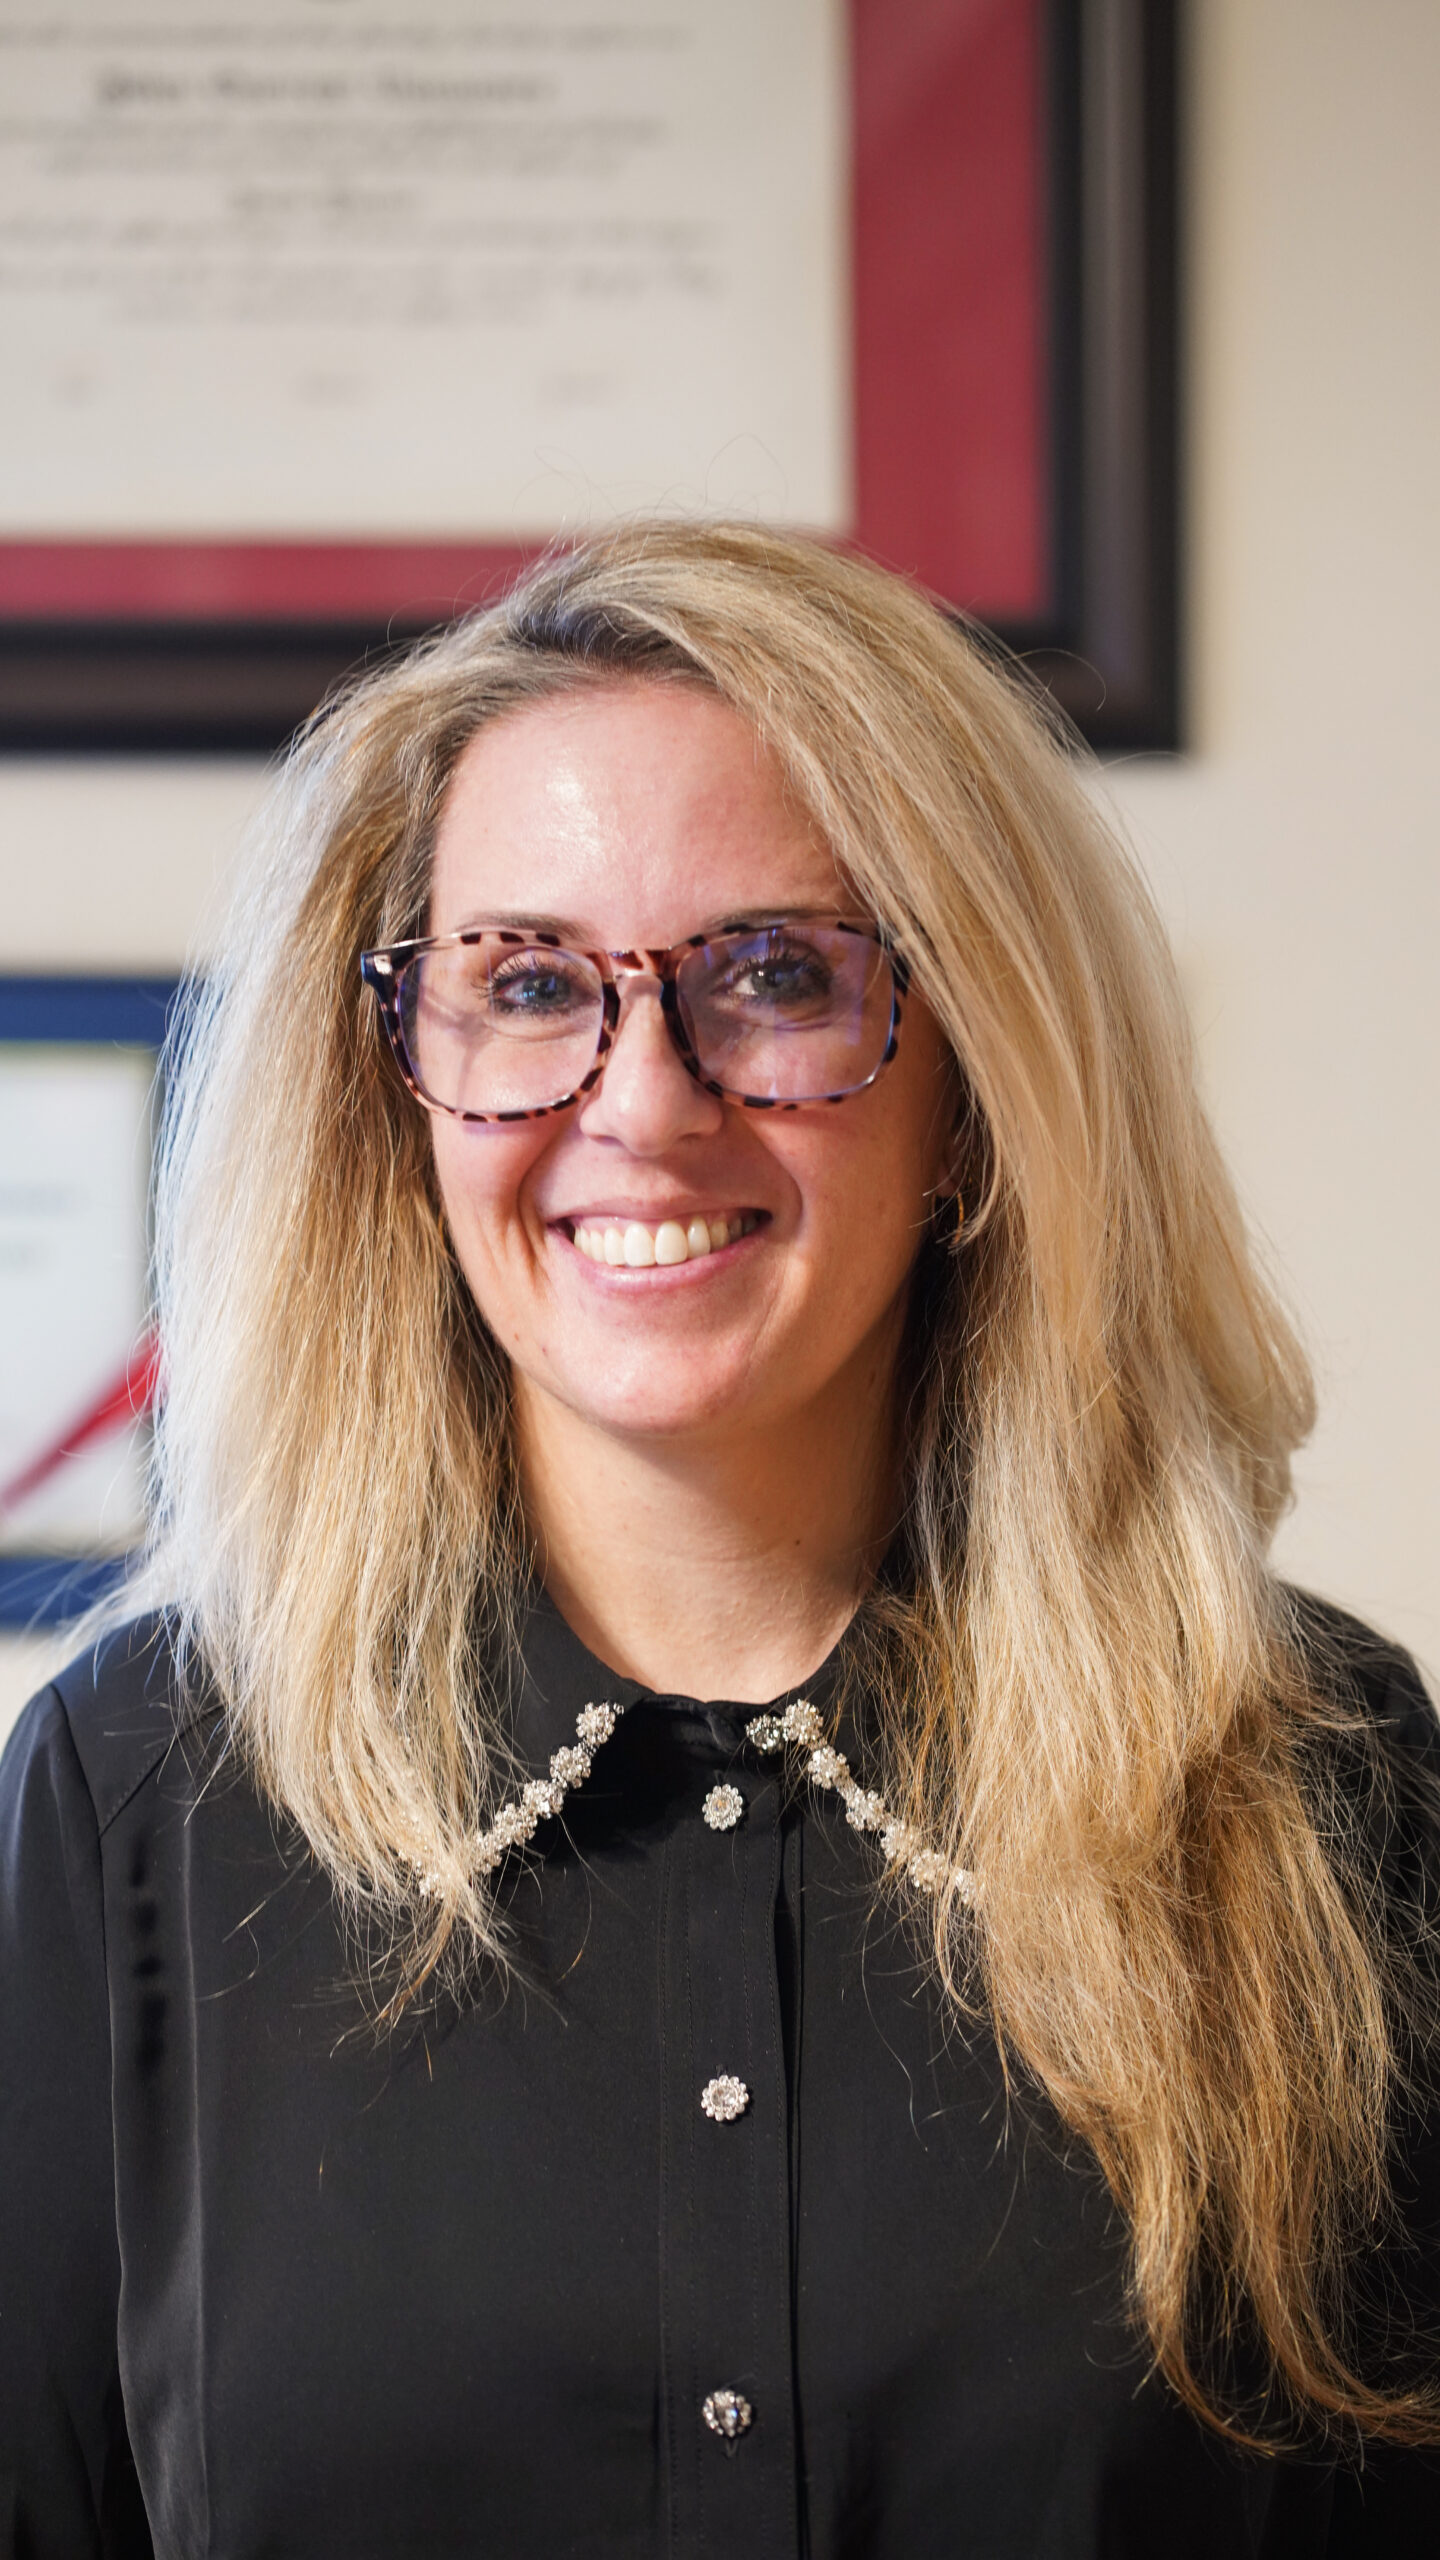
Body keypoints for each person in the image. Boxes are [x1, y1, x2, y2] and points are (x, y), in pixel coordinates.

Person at [2, 521, 1438, 2558]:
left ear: (975, 1082)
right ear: (393, 1084)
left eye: (775, 973)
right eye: (525, 982)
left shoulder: (1314, 1780)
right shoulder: (136, 1794)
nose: (644, 1102)